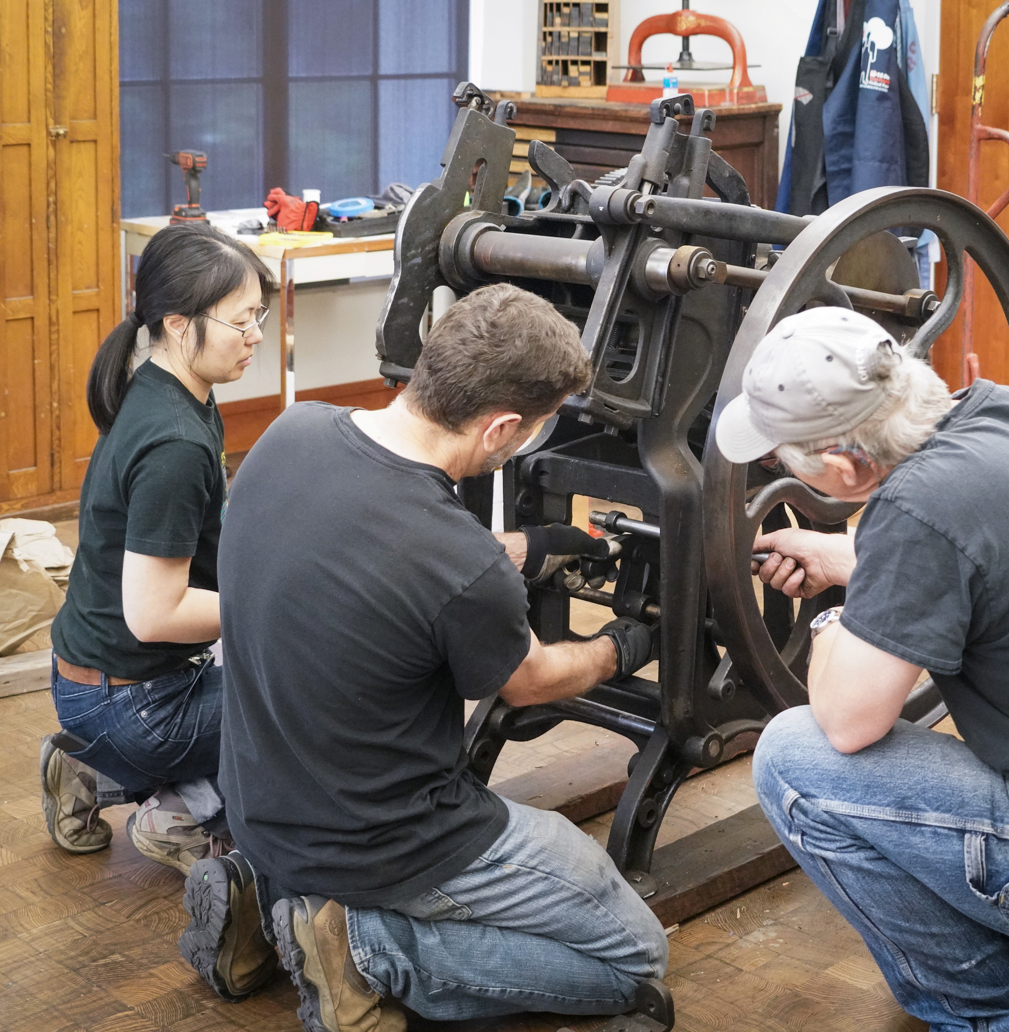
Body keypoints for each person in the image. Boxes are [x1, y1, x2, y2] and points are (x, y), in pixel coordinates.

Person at [178, 283, 669, 1029]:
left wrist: (531, 551)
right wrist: (621, 644)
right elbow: (532, 681)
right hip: (387, 843)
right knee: (635, 963)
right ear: (503, 428)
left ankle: (265, 892)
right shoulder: (460, 565)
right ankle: (364, 942)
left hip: (260, 807)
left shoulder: (290, 433)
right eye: (537, 429)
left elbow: (389, 551)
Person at [714, 307, 1009, 1031]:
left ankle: (1000, 1018)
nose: (778, 466)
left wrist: (841, 613)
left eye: (784, 457)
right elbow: (980, 562)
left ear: (845, 468)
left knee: (794, 760)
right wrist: (861, 566)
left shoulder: (913, 509)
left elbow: (847, 721)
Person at [42, 222, 274, 877]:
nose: (256, 333)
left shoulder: (168, 388)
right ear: (177, 324)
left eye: (259, 313)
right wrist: (268, 607)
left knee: (262, 646)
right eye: (241, 321)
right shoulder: (175, 443)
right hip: (131, 704)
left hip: (96, 681)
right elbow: (152, 615)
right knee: (311, 690)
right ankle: (178, 813)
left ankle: (87, 759)